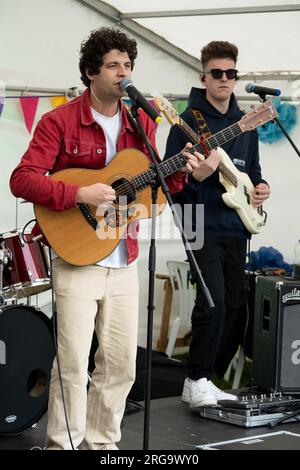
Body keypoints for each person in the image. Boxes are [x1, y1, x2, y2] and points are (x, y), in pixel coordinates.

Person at [10, 27, 201, 449]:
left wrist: (181, 173)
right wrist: (78, 192)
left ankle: (102, 445)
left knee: (120, 365)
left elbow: (150, 193)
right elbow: (21, 180)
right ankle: (64, 444)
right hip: (77, 258)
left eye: (128, 65)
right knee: (74, 364)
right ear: (91, 72)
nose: (123, 73)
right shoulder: (59, 120)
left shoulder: (141, 121)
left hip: (124, 256)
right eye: (113, 65)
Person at [164, 41, 271, 408]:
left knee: (235, 307)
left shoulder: (247, 123)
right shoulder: (185, 123)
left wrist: (260, 188)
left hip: (235, 223)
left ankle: (207, 377)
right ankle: (195, 379)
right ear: (204, 76)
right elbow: (169, 183)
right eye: (217, 73)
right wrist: (199, 176)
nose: (225, 80)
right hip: (197, 219)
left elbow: (252, 172)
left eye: (231, 73)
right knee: (212, 302)